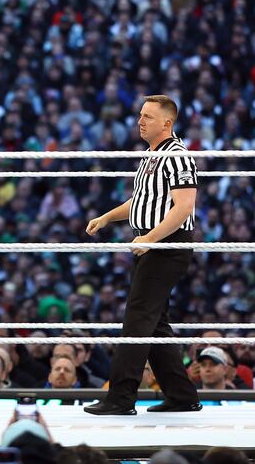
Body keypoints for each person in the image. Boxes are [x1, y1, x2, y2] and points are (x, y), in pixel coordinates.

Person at [84, 95, 201, 415]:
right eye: (140, 115)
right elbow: (141, 201)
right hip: (150, 244)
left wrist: (151, 238)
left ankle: (121, 397)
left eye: (148, 117)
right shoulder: (151, 155)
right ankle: (181, 395)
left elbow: (184, 207)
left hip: (166, 246)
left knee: (137, 318)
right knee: (154, 321)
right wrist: (107, 217)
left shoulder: (177, 156)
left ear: (167, 123)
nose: (140, 121)